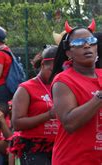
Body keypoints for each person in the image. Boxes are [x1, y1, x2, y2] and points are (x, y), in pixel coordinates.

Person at [49, 21, 102, 164]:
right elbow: (70, 123)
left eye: (91, 41)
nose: (86, 45)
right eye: (79, 43)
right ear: (68, 52)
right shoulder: (63, 81)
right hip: (73, 160)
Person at [10, 46, 58, 164]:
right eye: (52, 70)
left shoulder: (62, 86)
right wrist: (48, 115)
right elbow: (16, 123)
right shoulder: (26, 88)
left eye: (59, 71)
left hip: (59, 146)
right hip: (34, 148)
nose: (55, 75)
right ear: (42, 65)